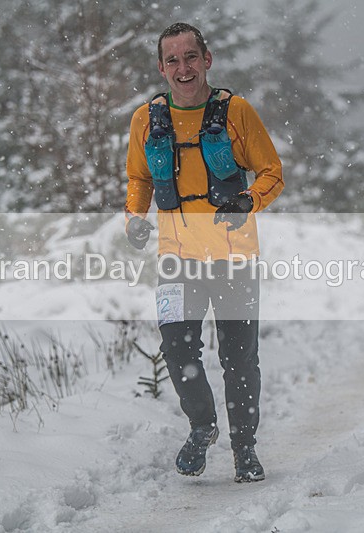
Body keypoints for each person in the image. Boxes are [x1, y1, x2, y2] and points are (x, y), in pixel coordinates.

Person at [124, 22, 284, 483]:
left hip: (234, 257)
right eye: (172, 60)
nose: (182, 67)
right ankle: (202, 426)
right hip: (176, 258)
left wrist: (247, 200)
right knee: (177, 350)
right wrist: (134, 217)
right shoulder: (145, 120)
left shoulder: (236, 113)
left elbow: (272, 172)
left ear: (207, 60)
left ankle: (245, 450)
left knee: (239, 358)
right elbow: (139, 179)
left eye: (190, 57)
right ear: (161, 68)